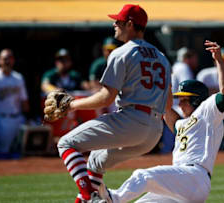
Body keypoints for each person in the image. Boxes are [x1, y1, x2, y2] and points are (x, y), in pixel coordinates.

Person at [55, 4, 172, 202]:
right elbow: (168, 104)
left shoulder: (121, 53)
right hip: (154, 132)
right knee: (95, 162)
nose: (114, 23)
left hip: (131, 119)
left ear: (129, 24)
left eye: (118, 21)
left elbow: (105, 98)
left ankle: (90, 197)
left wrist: (72, 105)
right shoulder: (162, 58)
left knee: (66, 143)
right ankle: (89, 197)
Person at [98, 40, 224, 203]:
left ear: (196, 100)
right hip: (180, 183)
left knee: (143, 176)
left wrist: (218, 60)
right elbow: (167, 110)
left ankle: (113, 198)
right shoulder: (182, 124)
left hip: (194, 177)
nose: (180, 103)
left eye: (184, 99)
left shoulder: (207, 112)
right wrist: (164, 85)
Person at [0, 49, 29, 159]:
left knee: (20, 152)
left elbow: (24, 101)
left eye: (10, 58)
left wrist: (27, 118)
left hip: (19, 118)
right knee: (4, 152)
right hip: (2, 119)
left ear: (13, 60)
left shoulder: (18, 77)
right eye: (4, 59)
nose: (7, 61)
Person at [196, 47, 224, 149]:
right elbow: (197, 95)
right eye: (219, 59)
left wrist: (216, 94)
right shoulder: (205, 74)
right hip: (205, 110)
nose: (222, 62)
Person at [171, 47, 199, 116]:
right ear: (187, 59)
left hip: (171, 109)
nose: (196, 60)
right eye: (194, 58)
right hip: (179, 109)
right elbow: (187, 90)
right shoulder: (184, 68)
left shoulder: (175, 66)